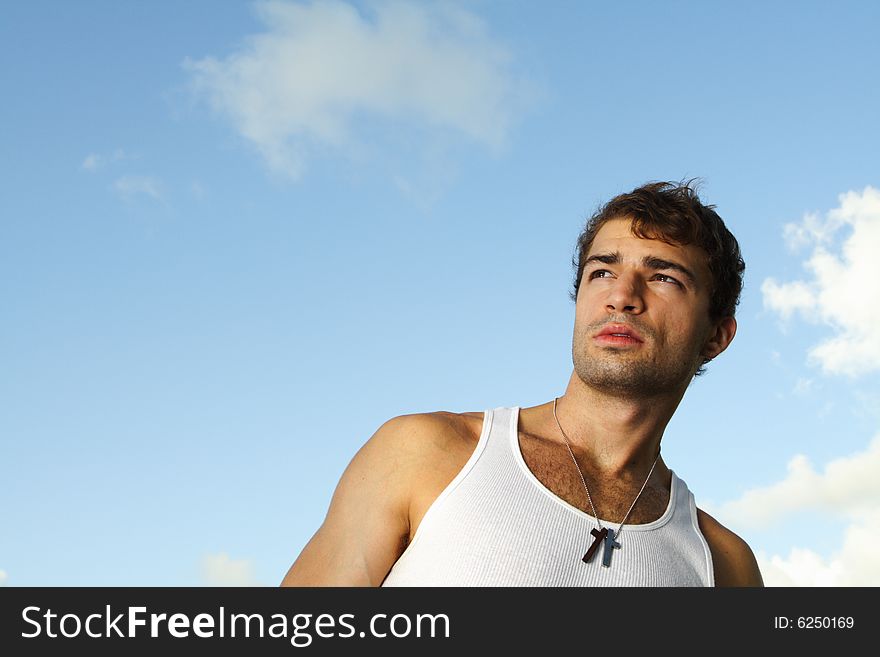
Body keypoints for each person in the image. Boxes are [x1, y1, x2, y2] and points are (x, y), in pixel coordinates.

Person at [280, 180, 763, 587]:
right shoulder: (427, 454)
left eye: (663, 278)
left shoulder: (725, 565)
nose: (621, 296)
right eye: (601, 271)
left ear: (716, 336)